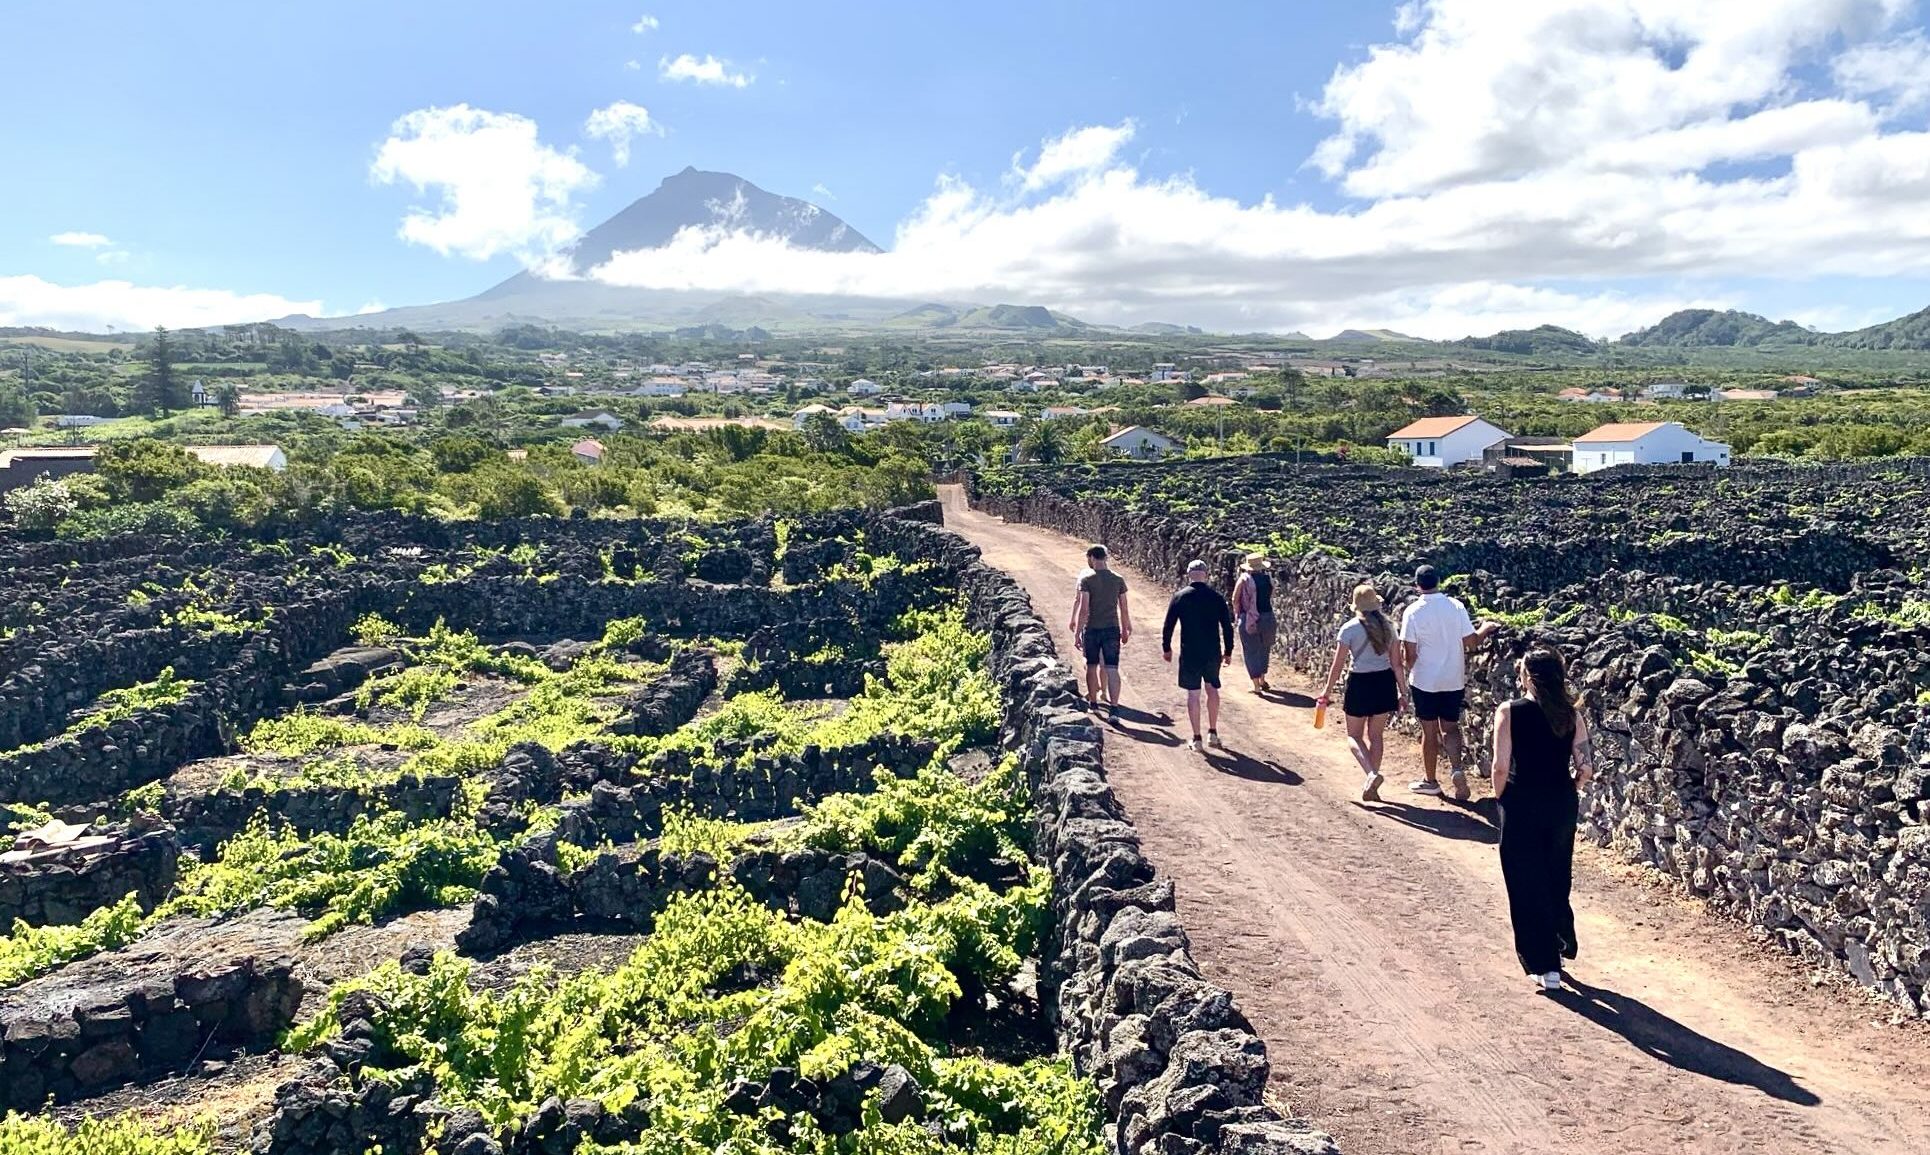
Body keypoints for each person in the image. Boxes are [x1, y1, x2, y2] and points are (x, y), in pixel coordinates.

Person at [1490, 647, 1595, 993]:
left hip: (1521, 801)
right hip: (1561, 802)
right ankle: (1561, 936)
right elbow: (1586, 768)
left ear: (1527, 676)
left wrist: (1500, 796)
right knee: (1555, 873)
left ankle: (1544, 964)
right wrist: (1573, 786)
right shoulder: (1572, 715)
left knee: (1524, 881)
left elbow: (1500, 766)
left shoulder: (1510, 711)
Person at [1398, 565, 1498, 801]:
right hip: (1453, 678)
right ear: (1439, 581)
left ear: (1417, 585)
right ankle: (1456, 769)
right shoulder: (1456, 606)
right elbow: (1472, 642)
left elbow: (1409, 653)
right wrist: (1485, 628)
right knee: (1451, 727)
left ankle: (1430, 781)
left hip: (1425, 681)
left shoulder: (1412, 612)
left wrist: (1409, 672)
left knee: (1429, 731)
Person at [1317, 584, 1407, 802]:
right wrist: (1403, 692)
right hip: (1384, 682)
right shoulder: (1390, 627)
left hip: (1360, 683)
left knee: (1353, 735)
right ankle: (1372, 785)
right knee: (1376, 736)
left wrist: (1327, 692)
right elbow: (1397, 664)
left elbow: (1337, 665)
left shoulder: (1349, 629)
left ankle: (1371, 774)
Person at [1162, 559, 1234, 752]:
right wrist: (1228, 651)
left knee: (1193, 694)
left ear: (1188, 574)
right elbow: (1227, 627)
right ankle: (1213, 732)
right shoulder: (1216, 597)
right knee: (1212, 689)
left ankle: (1197, 738)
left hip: (1190, 652)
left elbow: (1169, 624)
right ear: (1206, 574)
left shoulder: (1180, 597)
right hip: (1212, 652)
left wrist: (1166, 647)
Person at [1068, 545, 1131, 713]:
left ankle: (1094, 704)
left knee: (1091, 666)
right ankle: (1115, 708)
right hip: (1112, 629)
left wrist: (1077, 634)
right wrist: (1125, 630)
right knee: (1112, 668)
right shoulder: (1118, 579)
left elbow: (1084, 609)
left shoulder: (1087, 580)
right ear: (1105, 557)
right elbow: (1124, 608)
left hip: (1092, 629)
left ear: (1091, 558)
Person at [1231, 552, 1278, 692]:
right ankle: (1263, 678)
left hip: (1249, 618)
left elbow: (1235, 598)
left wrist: (1238, 613)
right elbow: (1271, 595)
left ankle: (1256, 685)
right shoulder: (1267, 579)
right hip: (1268, 617)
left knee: (1251, 650)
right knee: (1265, 648)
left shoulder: (1244, 579)